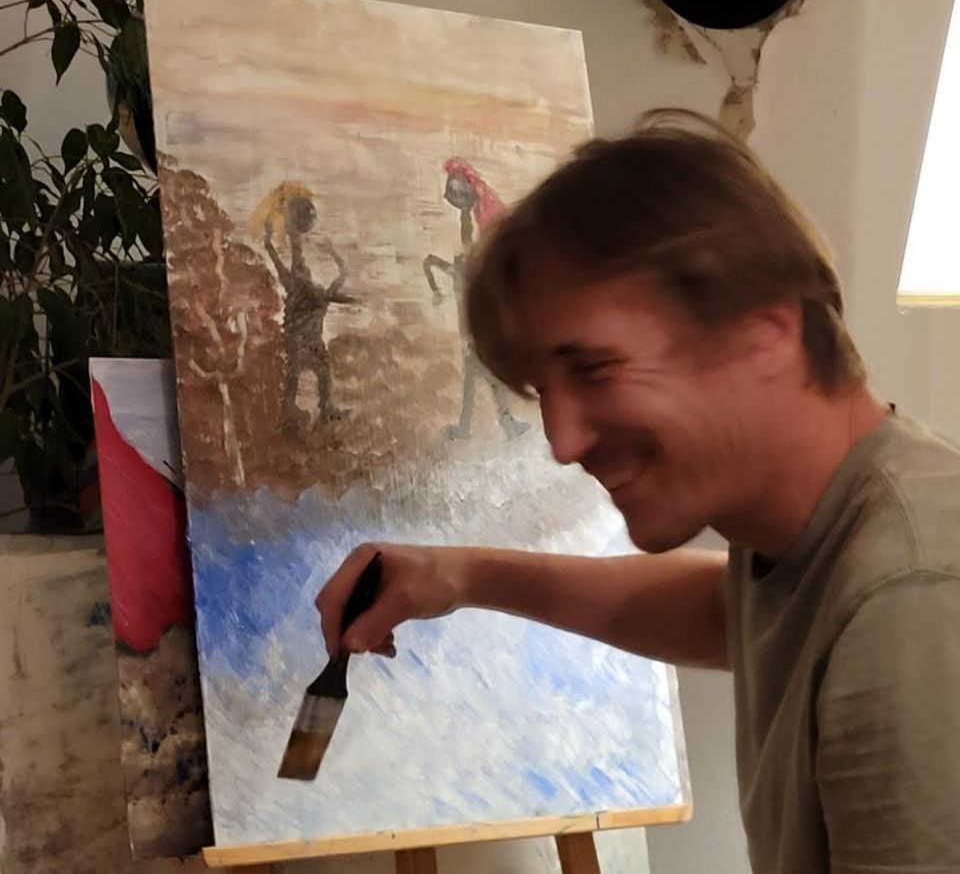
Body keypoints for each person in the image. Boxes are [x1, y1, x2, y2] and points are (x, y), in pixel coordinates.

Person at [316, 109, 960, 873]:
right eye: (541, 391)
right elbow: (721, 608)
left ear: (765, 333)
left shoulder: (912, 600)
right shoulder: (819, 545)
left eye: (594, 370)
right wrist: (464, 575)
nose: (562, 442)